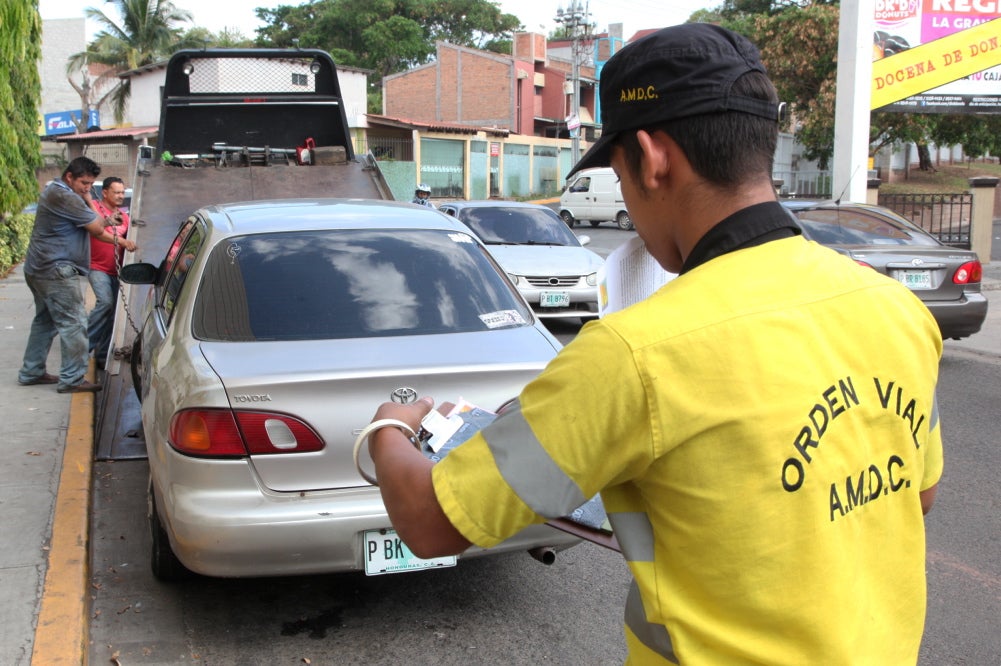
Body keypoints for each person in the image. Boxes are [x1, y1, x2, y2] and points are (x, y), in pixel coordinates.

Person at [362, 24, 944, 664]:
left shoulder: (637, 354)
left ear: (653, 156)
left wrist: (393, 423)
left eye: (619, 174)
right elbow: (915, 494)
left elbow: (428, 522)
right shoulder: (897, 310)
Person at [18, 157, 137, 393]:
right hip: (56, 270)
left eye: (90, 183)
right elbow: (96, 228)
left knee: (45, 321)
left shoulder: (58, 192)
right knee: (74, 323)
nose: (86, 187)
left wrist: (91, 206)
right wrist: (87, 200)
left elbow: (97, 224)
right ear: (69, 177)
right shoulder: (64, 196)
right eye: (83, 182)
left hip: (40, 267)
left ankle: (31, 371)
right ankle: (72, 378)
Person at [87, 176, 130, 369]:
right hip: (96, 267)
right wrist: (121, 241)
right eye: (117, 192)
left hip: (115, 271)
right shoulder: (95, 208)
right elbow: (97, 231)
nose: (121, 196)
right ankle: (81, 348)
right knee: (105, 302)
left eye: (122, 192)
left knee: (112, 313)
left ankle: (102, 356)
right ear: (105, 193)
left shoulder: (125, 217)